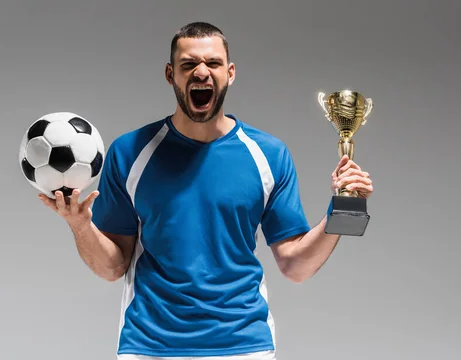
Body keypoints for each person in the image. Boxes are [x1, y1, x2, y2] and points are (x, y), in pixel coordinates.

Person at [39, 21, 374, 360]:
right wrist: (80, 226)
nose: (202, 72)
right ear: (171, 75)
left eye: (213, 63)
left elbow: (296, 267)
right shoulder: (130, 152)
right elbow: (112, 267)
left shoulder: (268, 155)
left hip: (244, 347)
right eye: (188, 64)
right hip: (150, 348)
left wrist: (341, 212)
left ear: (230, 73)